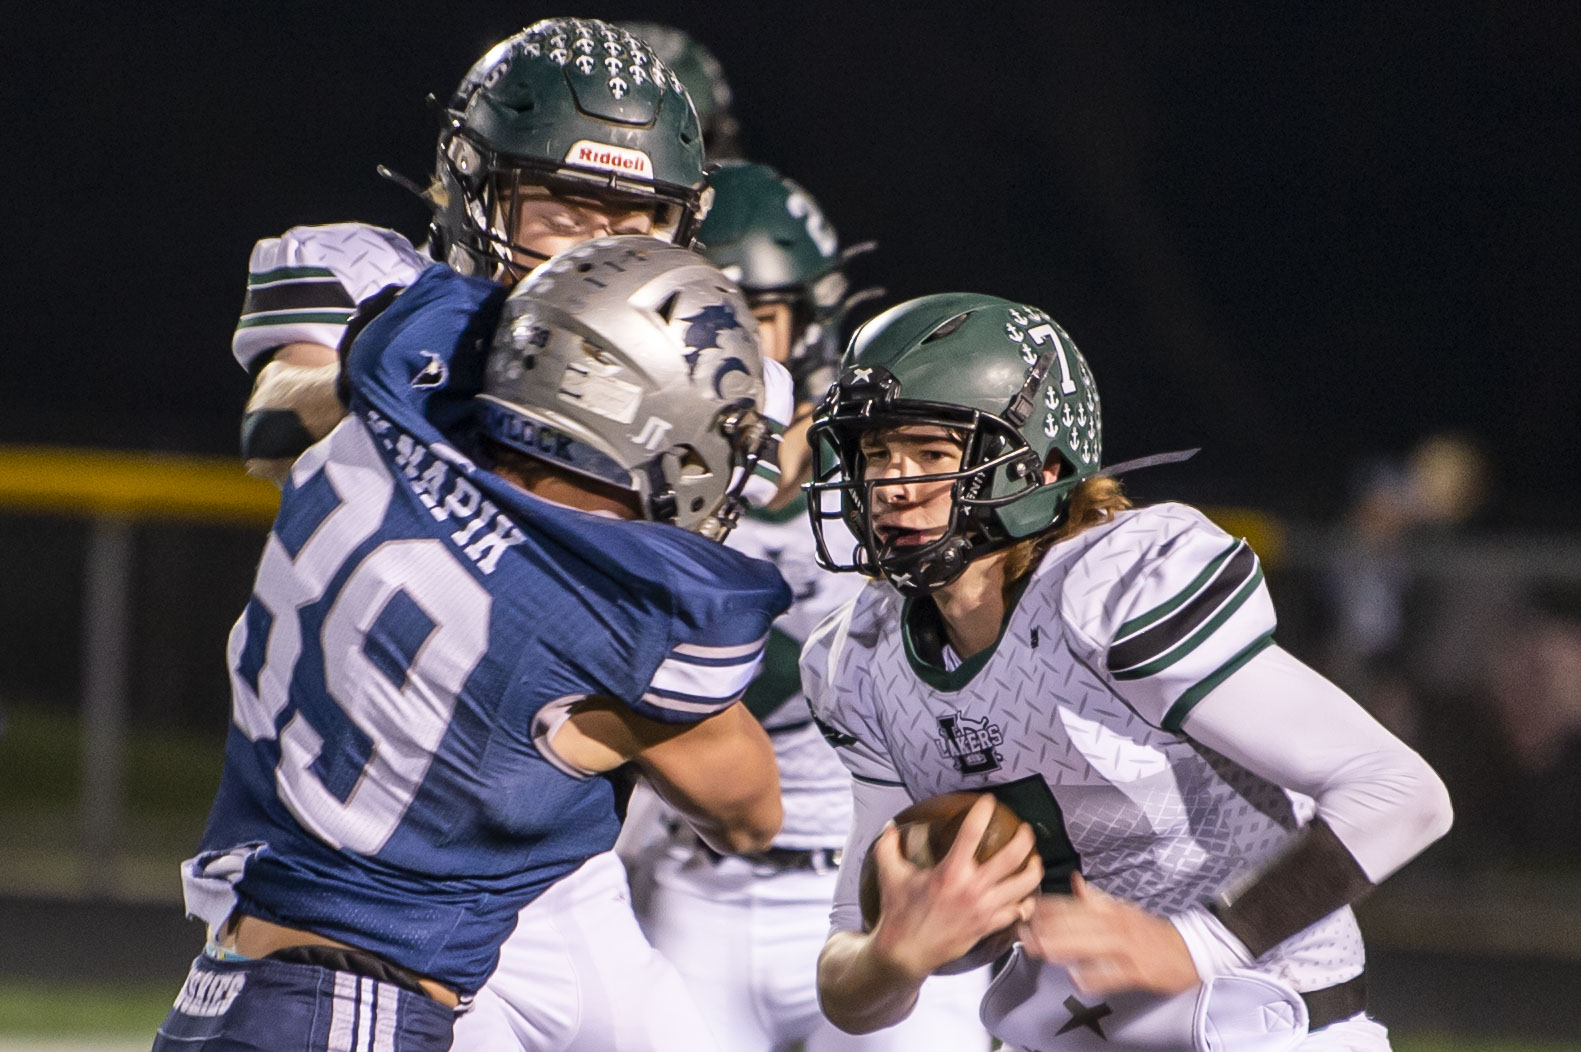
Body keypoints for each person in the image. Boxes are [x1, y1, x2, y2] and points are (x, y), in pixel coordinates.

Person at [154, 237, 791, 1050]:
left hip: (225, 984)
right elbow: (749, 814)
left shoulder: (380, 416)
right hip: (356, 1010)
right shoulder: (606, 609)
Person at [799, 293, 1454, 1051]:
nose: (893, 486)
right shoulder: (863, 657)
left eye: (931, 453)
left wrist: (1199, 943)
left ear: (1038, 462)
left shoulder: (1109, 590)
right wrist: (893, 957)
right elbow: (847, 984)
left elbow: (1401, 793)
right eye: (874, 455)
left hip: (1259, 1027)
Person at [619, 163, 992, 1050]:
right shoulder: (619, 477)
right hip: (694, 886)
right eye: (697, 319)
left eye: (756, 318)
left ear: (813, 324)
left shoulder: (896, 475)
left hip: (880, 889)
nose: (728, 349)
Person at [236, 17, 715, 485]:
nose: (598, 257)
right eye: (564, 220)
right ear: (473, 195)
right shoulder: (371, 274)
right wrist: (395, 370)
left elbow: (776, 484)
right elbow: (274, 430)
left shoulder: (692, 354)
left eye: (627, 231)